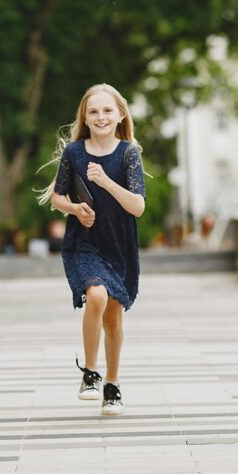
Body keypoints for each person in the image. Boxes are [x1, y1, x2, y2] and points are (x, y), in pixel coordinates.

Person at [38, 83, 146, 415]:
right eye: (93, 111)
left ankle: (112, 385)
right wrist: (74, 210)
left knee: (113, 320)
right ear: (85, 116)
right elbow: (57, 197)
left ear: (120, 114)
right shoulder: (74, 153)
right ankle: (90, 372)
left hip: (119, 243)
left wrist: (104, 182)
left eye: (107, 110)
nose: (100, 117)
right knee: (96, 295)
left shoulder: (129, 154)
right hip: (84, 241)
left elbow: (138, 207)